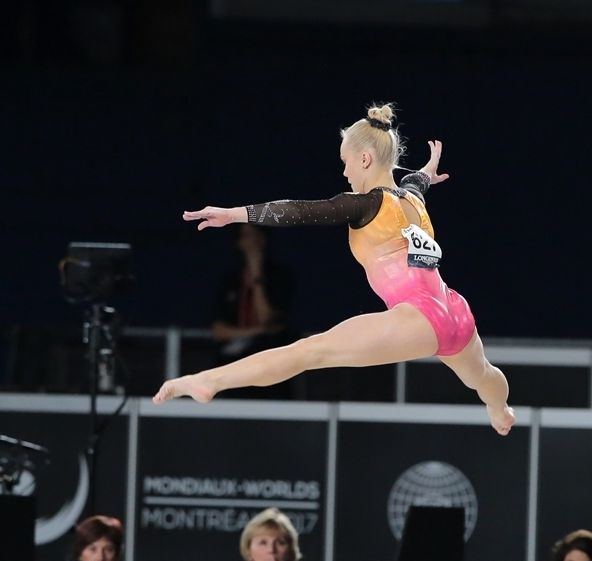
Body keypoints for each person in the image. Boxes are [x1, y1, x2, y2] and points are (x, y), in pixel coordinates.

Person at [154, 103, 514, 436]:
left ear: (365, 158)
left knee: (309, 352)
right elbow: (414, 182)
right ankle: (500, 410)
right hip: (454, 310)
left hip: (418, 318)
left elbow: (299, 211)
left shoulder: (366, 204)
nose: (344, 172)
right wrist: (425, 173)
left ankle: (209, 381)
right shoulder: (412, 199)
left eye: (346, 162)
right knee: (483, 375)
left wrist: (233, 214)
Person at [211, 223, 297, 362]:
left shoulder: (281, 277)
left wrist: (257, 275)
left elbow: (267, 319)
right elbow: (218, 331)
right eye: (246, 236)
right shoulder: (229, 280)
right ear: (239, 242)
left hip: (269, 353)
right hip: (233, 353)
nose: (252, 241)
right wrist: (258, 332)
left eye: (256, 235)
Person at [219, 508, 321, 561]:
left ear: (291, 551)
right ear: (249, 551)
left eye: (280, 542)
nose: (271, 549)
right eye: (263, 543)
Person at [52, 515, 138, 561]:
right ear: (80, 553)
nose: (100, 558)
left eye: (108, 549)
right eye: (92, 549)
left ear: (118, 554)